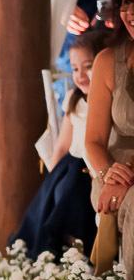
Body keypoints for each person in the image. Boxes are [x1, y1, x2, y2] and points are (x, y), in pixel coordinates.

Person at [10, 31, 107, 259]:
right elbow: (62, 147)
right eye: (74, 69)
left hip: (92, 169)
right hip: (71, 168)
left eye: (89, 66)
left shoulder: (106, 102)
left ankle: (72, 250)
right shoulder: (74, 99)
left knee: (75, 188)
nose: (81, 75)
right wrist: (52, 183)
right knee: (63, 188)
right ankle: (55, 249)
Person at [86, 0, 134, 280]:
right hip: (112, 173)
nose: (131, 12)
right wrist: (108, 173)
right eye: (126, 2)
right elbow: (92, 141)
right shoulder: (106, 61)